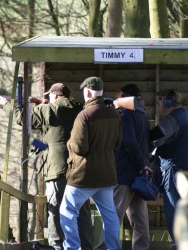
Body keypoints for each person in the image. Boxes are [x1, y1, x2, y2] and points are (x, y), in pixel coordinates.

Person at [0, 83, 93, 250]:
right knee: (82, 210)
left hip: (58, 168)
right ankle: (86, 246)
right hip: (80, 168)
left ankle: (56, 245)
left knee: (55, 209)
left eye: (49, 97)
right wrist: (42, 105)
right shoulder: (79, 108)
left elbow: (23, 119)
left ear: (55, 97)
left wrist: (6, 104)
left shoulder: (49, 110)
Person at [59, 76, 122, 250]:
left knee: (67, 211)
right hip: (107, 174)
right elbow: (118, 143)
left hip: (83, 175)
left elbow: (79, 147)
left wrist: (69, 143)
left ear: (87, 92)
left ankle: (72, 247)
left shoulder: (84, 115)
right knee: (110, 216)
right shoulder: (114, 114)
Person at [95, 84, 152, 250]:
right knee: (140, 222)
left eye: (119, 97)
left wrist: (141, 165)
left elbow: (129, 142)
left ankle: (102, 248)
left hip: (125, 175)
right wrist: (145, 166)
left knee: (112, 217)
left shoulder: (126, 114)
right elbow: (147, 145)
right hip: (140, 176)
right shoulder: (143, 116)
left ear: (125, 97)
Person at [152, 88, 188, 250]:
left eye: (160, 100)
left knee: (174, 211)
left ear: (168, 101)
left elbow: (153, 138)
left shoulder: (172, 120)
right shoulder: (186, 116)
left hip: (174, 171)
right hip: (185, 170)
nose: (159, 103)